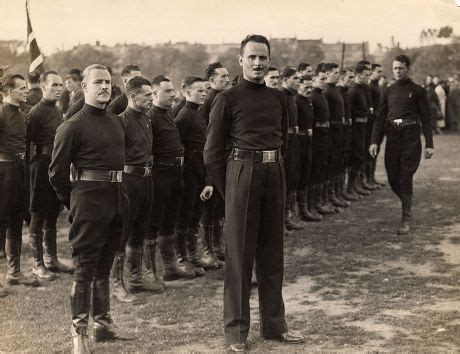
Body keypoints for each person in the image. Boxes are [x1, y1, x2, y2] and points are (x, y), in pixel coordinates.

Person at [204, 34, 304, 352]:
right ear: (241, 61)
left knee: (272, 253)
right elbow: (211, 151)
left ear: (268, 60)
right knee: (240, 257)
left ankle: (275, 325)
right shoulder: (227, 99)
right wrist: (229, 188)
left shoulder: (278, 99)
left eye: (263, 57)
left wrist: (273, 170)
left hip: (274, 173)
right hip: (242, 174)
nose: (258, 63)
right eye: (252, 58)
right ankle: (235, 333)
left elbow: (283, 140)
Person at [49, 64, 131, 353]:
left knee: (105, 265)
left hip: (117, 199)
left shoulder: (116, 122)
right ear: (84, 88)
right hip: (88, 201)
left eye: (108, 82)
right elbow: (57, 173)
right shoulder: (72, 125)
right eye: (97, 82)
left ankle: (103, 325)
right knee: (84, 270)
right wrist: (74, 203)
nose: (105, 87)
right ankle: (79, 334)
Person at [112, 77, 164, 305]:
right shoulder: (120, 122)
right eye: (147, 96)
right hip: (128, 181)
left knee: (141, 229)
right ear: (133, 97)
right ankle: (117, 284)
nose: (152, 99)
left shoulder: (146, 119)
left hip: (146, 179)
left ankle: (135, 279)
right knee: (123, 231)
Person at [370, 55, 434, 235]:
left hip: (410, 137)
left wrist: (429, 144)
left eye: (401, 68)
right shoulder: (388, 90)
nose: (398, 71)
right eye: (395, 68)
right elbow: (380, 118)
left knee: (406, 176)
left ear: (408, 68)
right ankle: (408, 201)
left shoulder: (418, 91)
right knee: (392, 176)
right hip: (393, 137)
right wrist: (374, 141)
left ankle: (405, 217)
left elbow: (426, 119)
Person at [145, 75, 196, 281]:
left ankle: (170, 267)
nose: (173, 94)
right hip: (160, 176)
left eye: (173, 90)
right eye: (167, 91)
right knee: (154, 222)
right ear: (155, 93)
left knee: (170, 221)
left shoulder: (168, 114)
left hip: (176, 175)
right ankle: (150, 274)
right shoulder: (149, 117)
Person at [26, 70, 74, 281]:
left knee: (53, 211)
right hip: (40, 166)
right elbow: (25, 143)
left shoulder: (58, 109)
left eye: (60, 85)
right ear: (43, 87)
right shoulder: (35, 112)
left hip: (57, 166)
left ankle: (51, 259)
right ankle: (37, 264)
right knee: (38, 213)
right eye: (54, 85)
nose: (58, 88)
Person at [0, 74, 40, 288]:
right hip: (4, 172)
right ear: (9, 92)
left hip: (21, 170)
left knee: (16, 221)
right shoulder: (1, 113)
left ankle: (14, 272)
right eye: (22, 88)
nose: (27, 91)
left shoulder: (23, 113)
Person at [175, 77, 217, 272]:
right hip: (188, 173)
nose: (203, 93)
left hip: (200, 170)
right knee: (185, 214)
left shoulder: (198, 114)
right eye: (198, 90)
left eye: (204, 90)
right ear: (186, 92)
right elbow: (178, 148)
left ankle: (192, 255)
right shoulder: (183, 116)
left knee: (195, 213)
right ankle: (181, 258)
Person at [199, 62, 231, 266]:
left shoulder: (222, 98)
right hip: (211, 164)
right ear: (211, 81)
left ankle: (218, 247)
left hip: (223, 159)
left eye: (228, 76)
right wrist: (209, 177)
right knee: (209, 210)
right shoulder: (210, 102)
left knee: (219, 207)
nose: (227, 80)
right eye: (222, 77)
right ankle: (206, 251)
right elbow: (207, 143)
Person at [280, 66, 304, 232]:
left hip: (294, 140)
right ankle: (281, 221)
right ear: (285, 80)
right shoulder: (281, 96)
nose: (298, 82)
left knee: (293, 178)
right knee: (285, 181)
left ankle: (289, 216)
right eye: (295, 78)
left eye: (299, 79)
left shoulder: (292, 97)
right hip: (285, 143)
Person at [295, 74, 322, 221]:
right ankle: (297, 212)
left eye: (311, 87)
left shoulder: (308, 100)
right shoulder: (296, 101)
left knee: (306, 173)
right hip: (299, 142)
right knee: (299, 175)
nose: (309, 90)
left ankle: (305, 209)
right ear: (299, 86)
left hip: (308, 141)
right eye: (306, 87)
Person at [323, 63, 349, 210]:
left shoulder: (336, 90)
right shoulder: (326, 91)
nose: (337, 75)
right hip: (331, 131)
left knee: (338, 161)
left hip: (340, 130)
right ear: (326, 74)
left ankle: (336, 193)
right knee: (330, 163)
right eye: (334, 73)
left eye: (338, 72)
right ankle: (327, 197)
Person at [310, 68, 335, 215]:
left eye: (326, 79)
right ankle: (313, 205)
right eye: (322, 79)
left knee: (322, 168)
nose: (325, 82)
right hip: (317, 137)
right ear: (314, 80)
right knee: (316, 169)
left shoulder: (322, 95)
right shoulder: (313, 96)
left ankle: (320, 201)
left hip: (325, 135)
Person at [348, 63, 372, 197]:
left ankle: (357, 184)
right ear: (358, 75)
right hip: (356, 128)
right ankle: (351, 187)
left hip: (363, 128)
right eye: (365, 75)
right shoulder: (353, 91)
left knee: (361, 155)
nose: (367, 77)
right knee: (356, 156)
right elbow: (350, 113)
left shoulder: (363, 89)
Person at [368, 64, 385, 187]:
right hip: (372, 124)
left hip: (379, 123)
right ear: (372, 72)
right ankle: (368, 178)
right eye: (378, 71)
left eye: (381, 71)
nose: (380, 73)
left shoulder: (377, 87)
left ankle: (372, 177)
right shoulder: (370, 87)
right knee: (371, 151)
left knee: (376, 150)